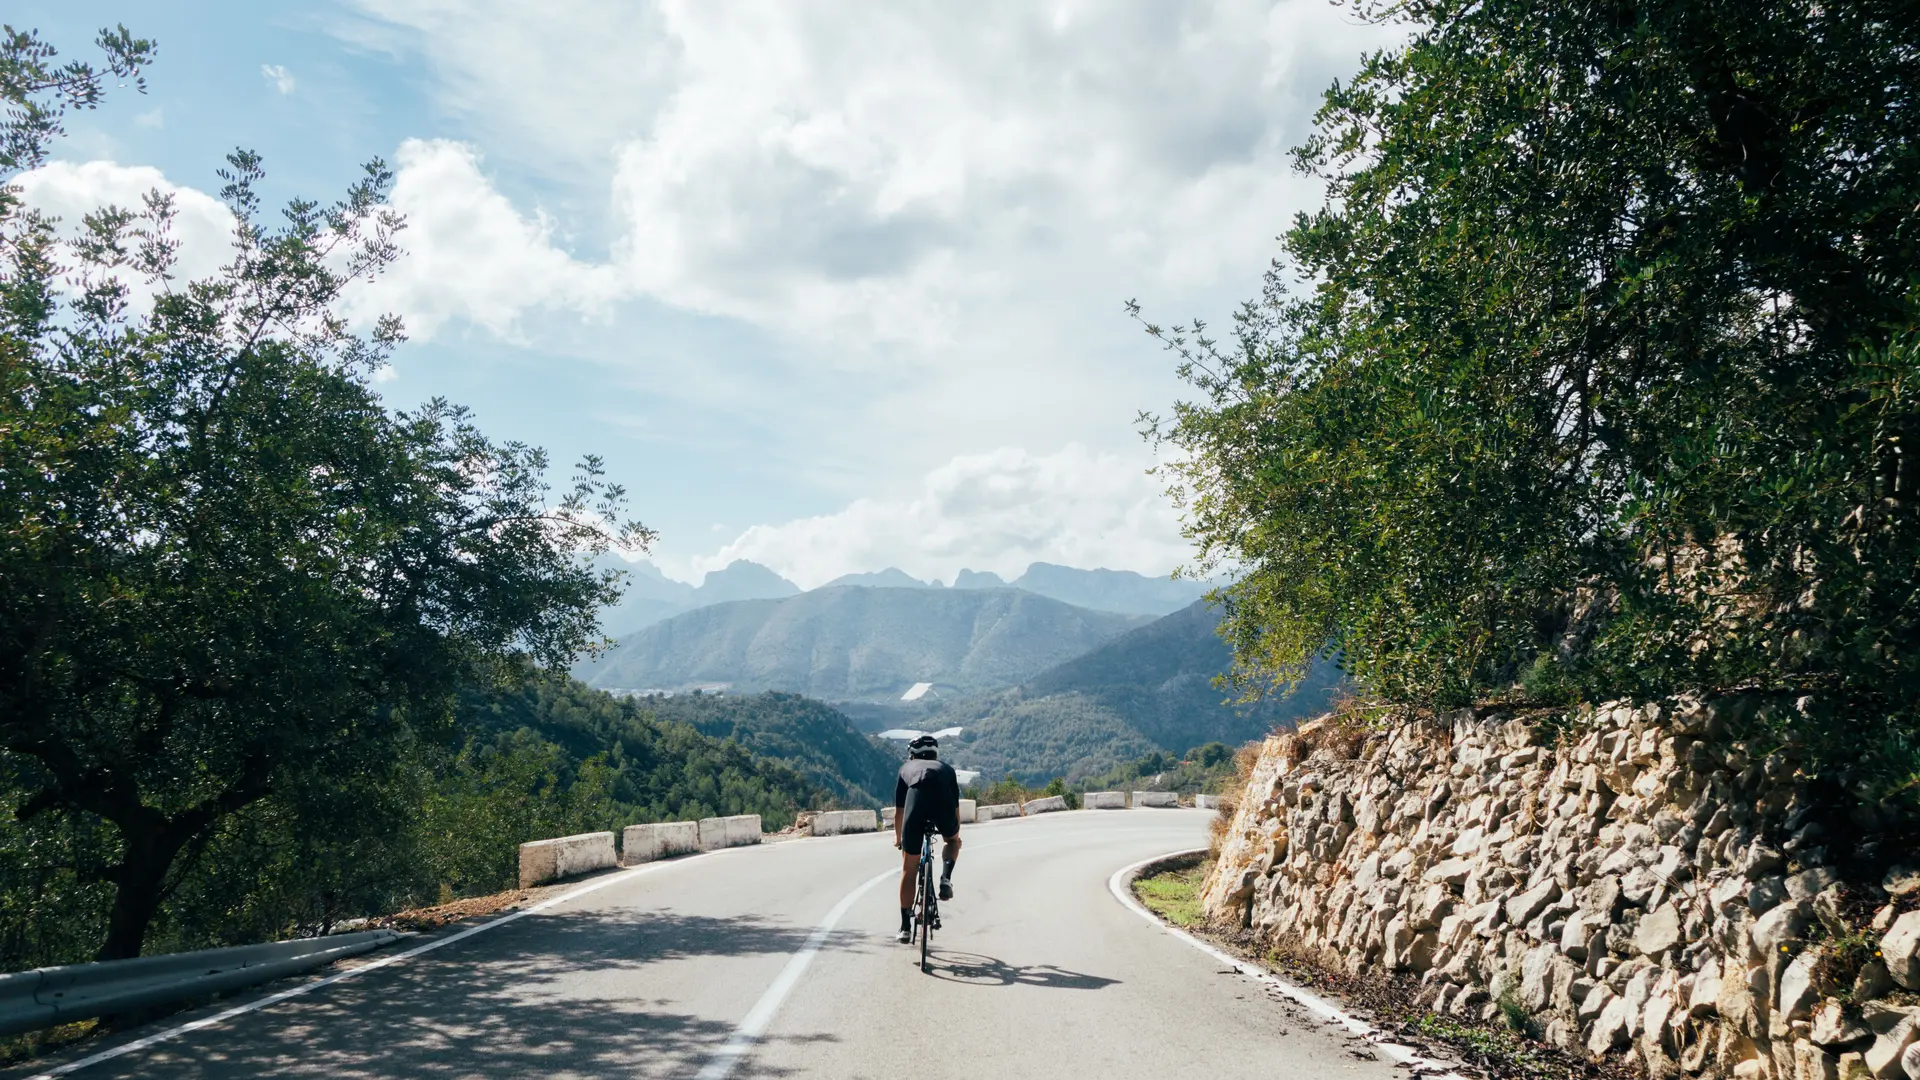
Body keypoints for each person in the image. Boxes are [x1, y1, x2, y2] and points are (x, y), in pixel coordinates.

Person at [893, 734, 962, 944]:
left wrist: (899, 839)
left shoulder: (906, 769)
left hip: (916, 806)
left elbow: (899, 811)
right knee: (952, 842)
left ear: (912, 754)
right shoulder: (947, 770)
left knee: (909, 867)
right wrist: (954, 836)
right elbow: (956, 809)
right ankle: (945, 878)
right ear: (935, 754)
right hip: (943, 804)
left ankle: (905, 927)